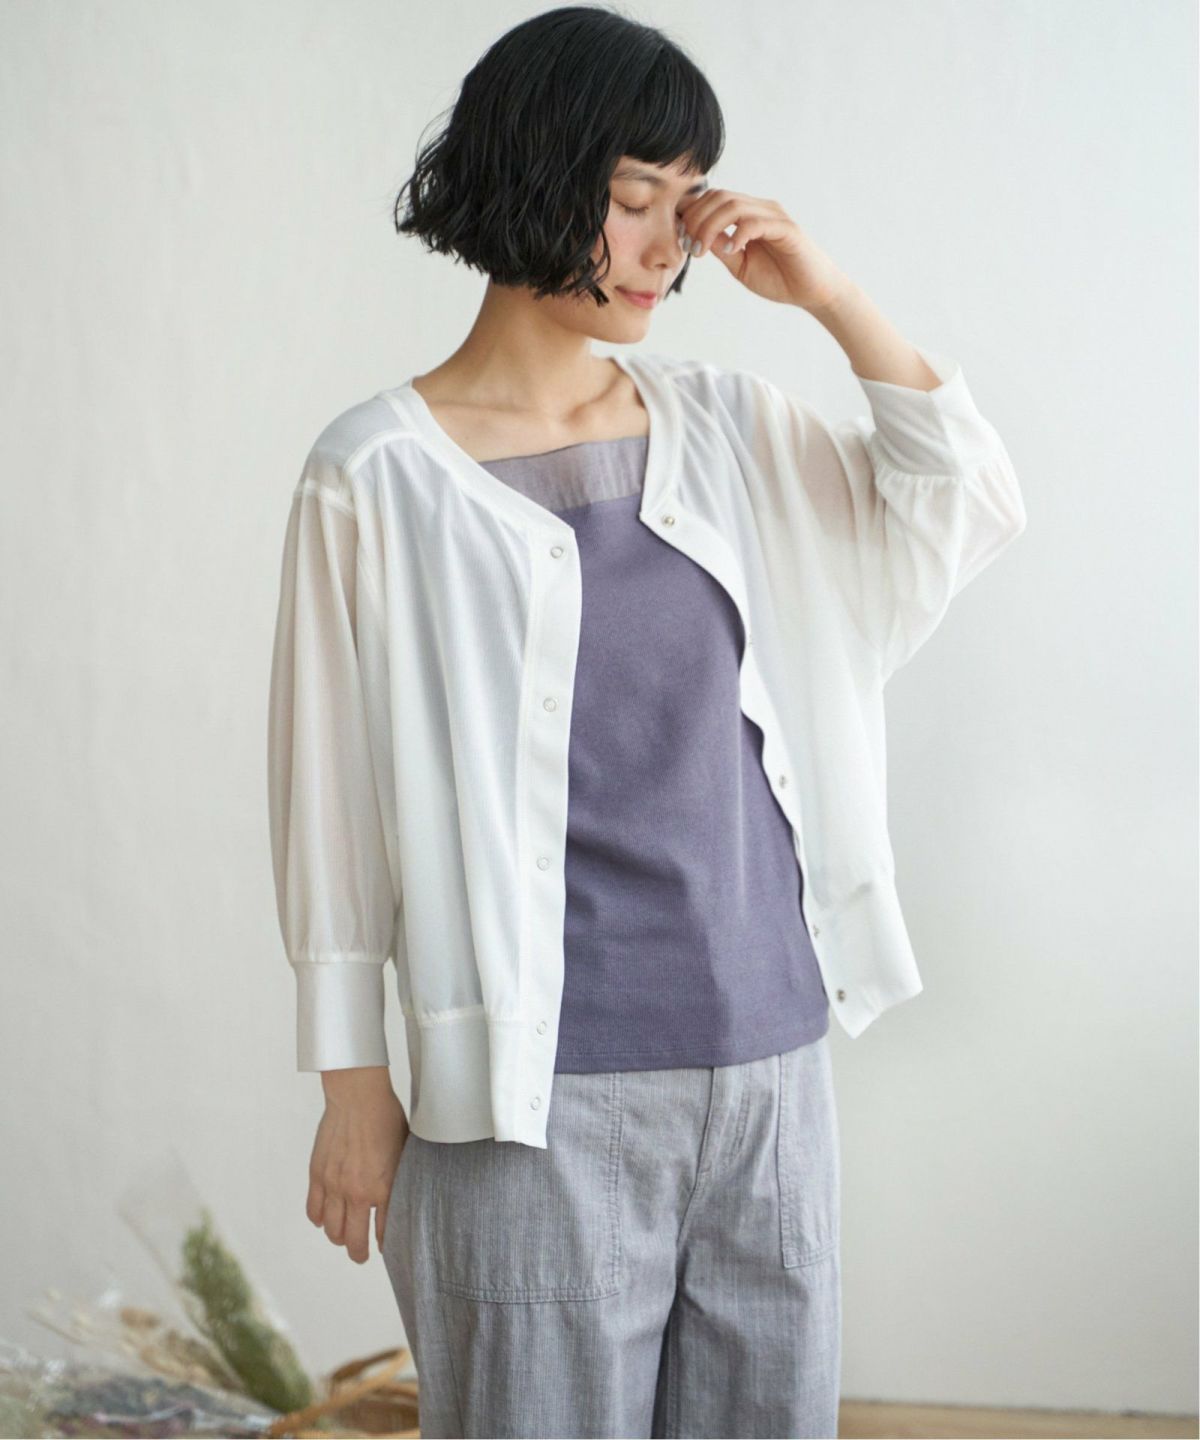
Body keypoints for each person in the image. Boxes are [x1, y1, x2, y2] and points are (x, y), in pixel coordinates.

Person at [265, 6, 1027, 1437]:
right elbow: (330, 801)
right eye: (633, 198)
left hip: (770, 1074)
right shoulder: (374, 476)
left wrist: (830, 297)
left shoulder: (729, 426)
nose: (668, 246)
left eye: (688, 202)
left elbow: (965, 505)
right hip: (531, 1105)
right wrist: (352, 1080)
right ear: (532, 176)